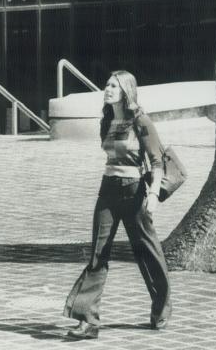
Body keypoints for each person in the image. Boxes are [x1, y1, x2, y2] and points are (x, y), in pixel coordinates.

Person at [63, 70, 172, 339]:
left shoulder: (141, 121)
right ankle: (88, 320)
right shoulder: (108, 121)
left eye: (113, 85)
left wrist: (154, 195)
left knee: (147, 251)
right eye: (107, 85)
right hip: (108, 190)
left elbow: (157, 160)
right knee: (98, 253)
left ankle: (161, 307)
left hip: (135, 193)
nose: (107, 88)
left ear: (125, 91)